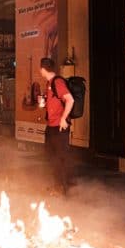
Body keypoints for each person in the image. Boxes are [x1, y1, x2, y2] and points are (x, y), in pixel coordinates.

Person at [40, 57, 75, 195]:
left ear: (43, 69)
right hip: (52, 126)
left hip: (58, 127)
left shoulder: (58, 82)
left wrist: (63, 118)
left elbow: (70, 100)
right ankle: (58, 186)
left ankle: (62, 188)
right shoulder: (49, 83)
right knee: (52, 156)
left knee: (59, 158)